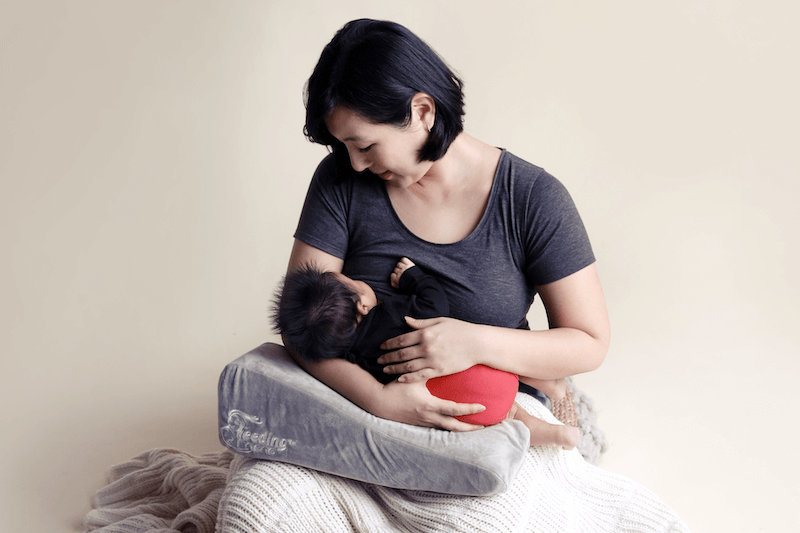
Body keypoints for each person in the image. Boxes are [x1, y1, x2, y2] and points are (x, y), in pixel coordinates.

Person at [287, 18, 610, 436]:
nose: (356, 164)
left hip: (490, 412)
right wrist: (379, 401)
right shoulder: (340, 180)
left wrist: (474, 343)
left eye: (365, 145)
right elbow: (298, 327)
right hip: (360, 407)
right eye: (344, 147)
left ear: (422, 112)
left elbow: (589, 342)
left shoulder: (531, 197)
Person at [274, 256, 580, 449]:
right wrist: (413, 278)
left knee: (510, 414)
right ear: (362, 305)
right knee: (494, 351)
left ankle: (552, 434)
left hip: (462, 408)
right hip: (490, 372)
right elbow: (435, 302)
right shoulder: (393, 314)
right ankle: (545, 381)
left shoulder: (353, 361)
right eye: (354, 282)